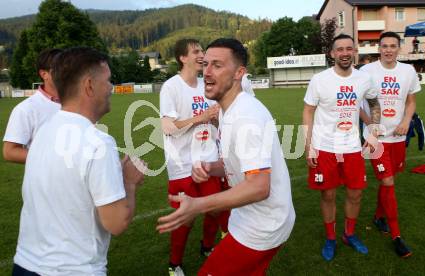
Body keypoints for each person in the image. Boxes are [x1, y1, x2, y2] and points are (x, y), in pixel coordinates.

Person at [157, 38, 295, 275]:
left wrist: (198, 205)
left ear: (239, 73)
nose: (207, 72)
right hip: (251, 219)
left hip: (261, 226)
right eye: (206, 63)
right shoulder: (229, 111)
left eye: (217, 65)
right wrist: (213, 167)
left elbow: (259, 187)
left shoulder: (245, 116)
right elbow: (239, 163)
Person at [12, 47, 145, 275]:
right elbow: (116, 223)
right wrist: (129, 182)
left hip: (25, 264)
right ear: (89, 86)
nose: (111, 88)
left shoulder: (44, 129)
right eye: (108, 80)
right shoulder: (98, 142)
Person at [302, 34, 381, 261]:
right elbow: (308, 111)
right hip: (324, 146)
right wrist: (309, 147)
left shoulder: (363, 79)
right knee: (328, 194)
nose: (345, 53)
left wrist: (374, 131)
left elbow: (374, 102)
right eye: (340, 49)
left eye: (349, 48)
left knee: (355, 194)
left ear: (354, 51)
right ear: (332, 54)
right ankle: (330, 237)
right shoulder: (319, 80)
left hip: (352, 147)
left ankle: (349, 234)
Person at [159, 38, 228, 276]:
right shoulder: (171, 87)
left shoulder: (206, 85)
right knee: (184, 218)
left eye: (202, 51)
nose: (202, 55)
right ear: (182, 58)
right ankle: (174, 263)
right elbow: (168, 127)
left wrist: (217, 118)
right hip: (181, 164)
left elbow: (215, 121)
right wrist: (201, 117)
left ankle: (207, 246)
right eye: (196, 51)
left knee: (215, 209)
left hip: (207, 159)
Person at [359, 31, 421, 258]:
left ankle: (378, 216)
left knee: (388, 182)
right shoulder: (366, 72)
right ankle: (397, 236)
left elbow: (411, 101)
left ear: (399, 48)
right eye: (384, 46)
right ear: (379, 48)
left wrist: (406, 121)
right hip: (376, 139)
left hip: (398, 137)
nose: (388, 50)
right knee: (388, 181)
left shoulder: (408, 71)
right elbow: (356, 102)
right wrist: (370, 124)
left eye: (392, 46)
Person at [3, 48, 62, 163]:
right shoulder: (26, 109)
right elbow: (10, 152)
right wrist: (53, 159)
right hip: (45, 180)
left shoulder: (80, 102)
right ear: (44, 74)